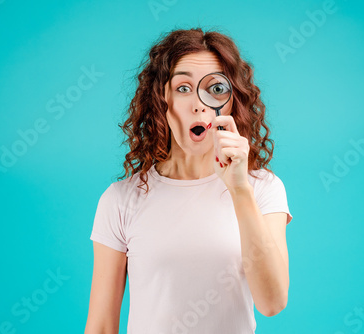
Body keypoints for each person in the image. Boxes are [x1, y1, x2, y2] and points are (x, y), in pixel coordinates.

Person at [85, 27, 293, 334]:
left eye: (216, 89)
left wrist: (238, 189)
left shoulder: (262, 189)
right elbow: (101, 326)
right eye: (183, 88)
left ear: (232, 103)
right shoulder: (121, 199)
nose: (199, 104)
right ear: (162, 99)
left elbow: (272, 303)